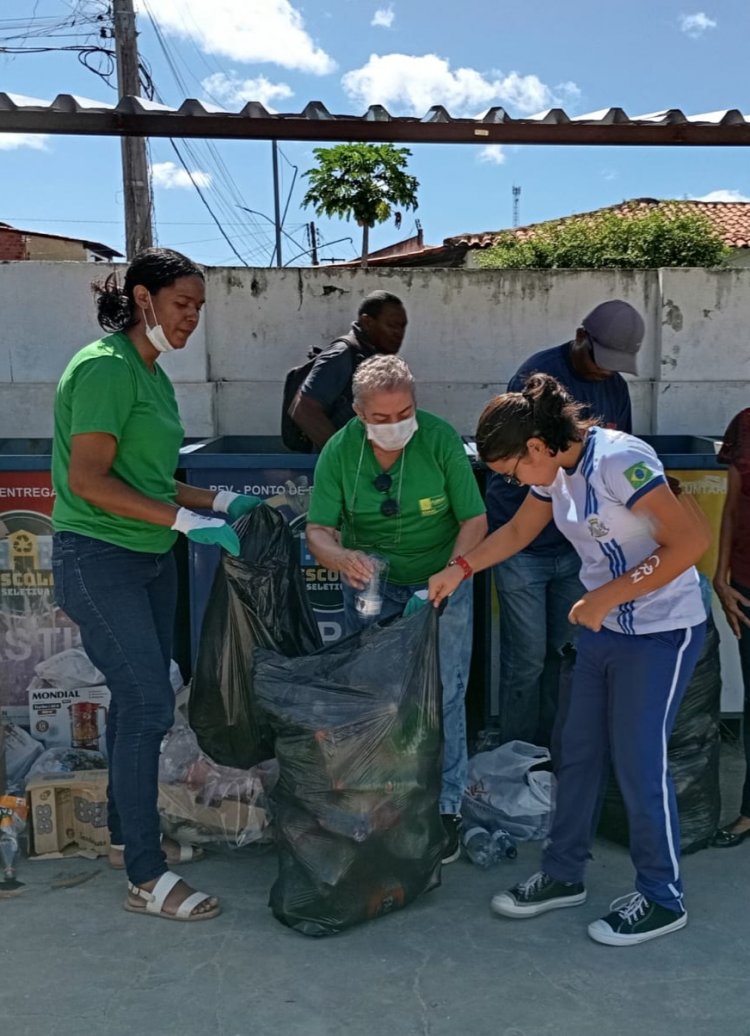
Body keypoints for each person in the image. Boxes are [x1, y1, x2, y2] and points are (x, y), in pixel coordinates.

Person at [429, 374, 709, 945]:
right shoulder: (554, 475)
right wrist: (459, 571)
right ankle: (563, 875)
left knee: (638, 761)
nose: (511, 482)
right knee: (575, 754)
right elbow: (515, 536)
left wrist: (605, 597)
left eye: (510, 471)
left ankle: (662, 896)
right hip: (603, 634)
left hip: (662, 633)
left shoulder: (618, 460)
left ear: (536, 446)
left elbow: (688, 543)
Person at [51, 248, 263, 922]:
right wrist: (182, 520)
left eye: (199, 308)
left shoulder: (151, 375)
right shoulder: (105, 369)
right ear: (143, 299)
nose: (192, 318)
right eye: (182, 304)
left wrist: (221, 502)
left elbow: (149, 477)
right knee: (145, 702)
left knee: (140, 698)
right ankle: (146, 873)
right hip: (98, 558)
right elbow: (89, 480)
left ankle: (123, 838)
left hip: (149, 558)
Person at [305, 355, 487, 863]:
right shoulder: (340, 453)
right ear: (359, 413)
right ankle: (383, 802)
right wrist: (341, 557)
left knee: (446, 694)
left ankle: (446, 806)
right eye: (381, 419)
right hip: (372, 585)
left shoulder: (440, 439)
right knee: (376, 697)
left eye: (403, 413)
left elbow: (475, 519)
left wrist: (454, 570)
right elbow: (317, 530)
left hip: (443, 581)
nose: (395, 427)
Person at [485, 299, 645, 745]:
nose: (602, 373)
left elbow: (618, 458)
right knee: (527, 660)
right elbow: (521, 523)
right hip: (525, 549)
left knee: (565, 654)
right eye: (598, 360)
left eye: (614, 365)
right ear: (580, 337)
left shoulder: (615, 391)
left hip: (577, 546)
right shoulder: (537, 379)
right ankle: (516, 757)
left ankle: (555, 752)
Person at [289, 290, 408, 449]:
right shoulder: (343, 354)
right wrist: (344, 457)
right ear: (368, 323)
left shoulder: (372, 358)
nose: (399, 333)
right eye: (392, 325)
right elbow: (303, 410)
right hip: (343, 470)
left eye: (402, 326)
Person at [711, 408, 750, 848]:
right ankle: (749, 809)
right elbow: (732, 507)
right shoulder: (744, 424)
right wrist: (720, 579)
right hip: (746, 581)